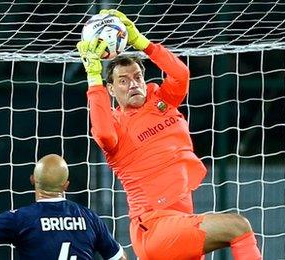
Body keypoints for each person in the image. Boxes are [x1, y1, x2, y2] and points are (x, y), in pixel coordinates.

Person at [77, 9, 262, 260]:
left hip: (182, 217)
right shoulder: (115, 124)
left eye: (138, 76)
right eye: (123, 80)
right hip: (154, 225)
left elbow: (180, 74)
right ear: (110, 89)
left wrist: (143, 42)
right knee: (238, 226)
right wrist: (93, 79)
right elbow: (103, 134)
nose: (133, 83)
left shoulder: (161, 101)